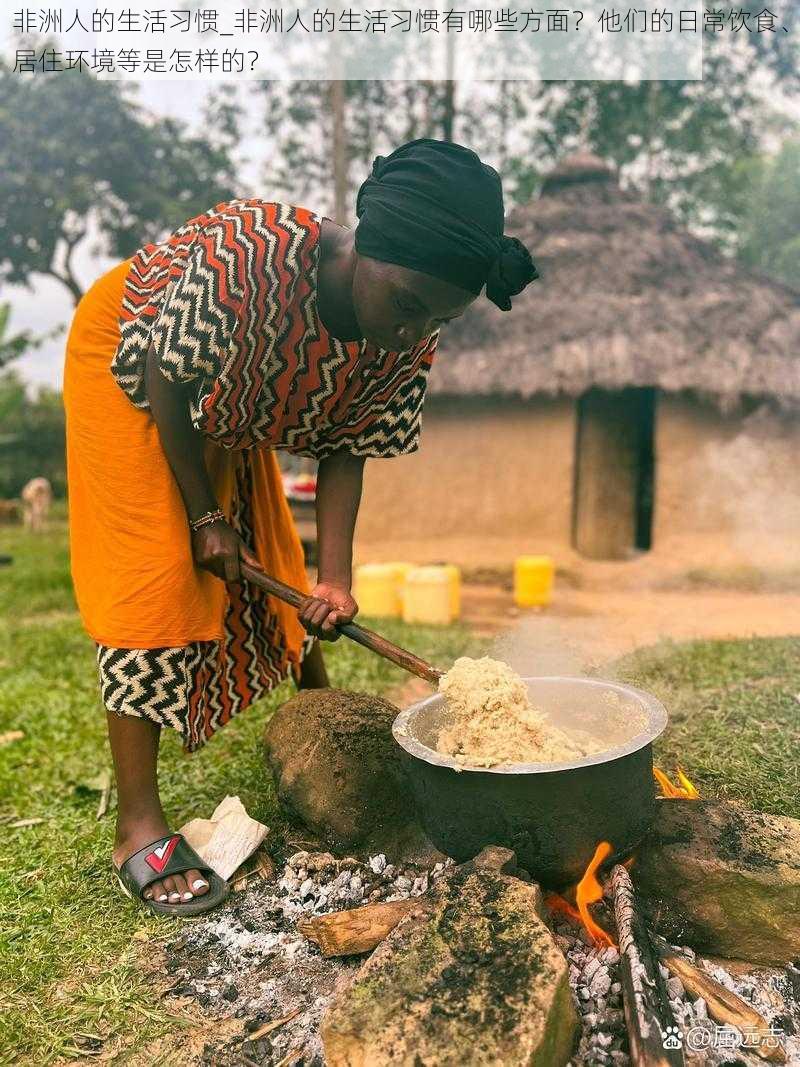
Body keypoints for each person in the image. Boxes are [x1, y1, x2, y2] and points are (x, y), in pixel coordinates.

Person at [63, 137, 539, 915]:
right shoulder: (251, 258)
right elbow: (164, 373)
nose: (410, 331)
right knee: (155, 569)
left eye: (437, 317)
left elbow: (346, 445)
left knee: (274, 548)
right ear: (366, 250)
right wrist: (205, 513)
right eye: (408, 303)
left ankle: (317, 714)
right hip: (134, 357)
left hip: (227, 393)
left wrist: (336, 580)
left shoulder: (413, 324)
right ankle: (138, 823)